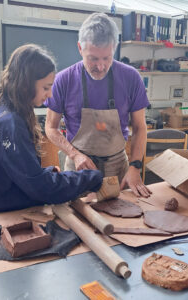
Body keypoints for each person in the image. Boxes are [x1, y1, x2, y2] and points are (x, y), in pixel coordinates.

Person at [0, 44, 103, 215]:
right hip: (5, 218)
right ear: (25, 84)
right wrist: (91, 178)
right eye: (46, 87)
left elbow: (16, 171)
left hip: (5, 206)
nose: (50, 94)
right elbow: (42, 188)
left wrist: (46, 172)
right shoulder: (10, 124)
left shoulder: (5, 109)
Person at [45, 13, 151, 198]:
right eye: (93, 59)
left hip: (118, 168)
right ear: (80, 48)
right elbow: (50, 127)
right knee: (78, 222)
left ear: (114, 50)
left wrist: (135, 166)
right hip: (79, 168)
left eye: (106, 58)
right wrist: (75, 154)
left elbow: (140, 127)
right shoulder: (63, 80)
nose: (100, 66)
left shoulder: (131, 78)